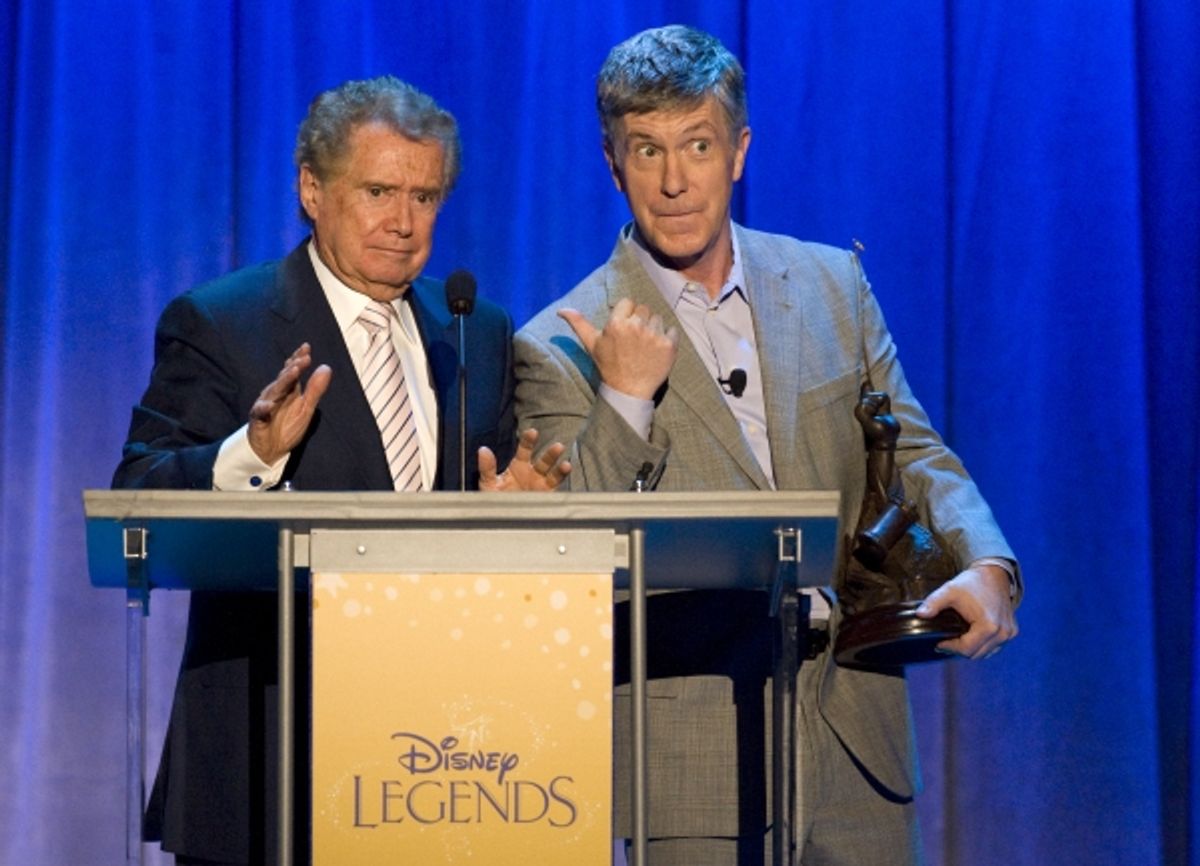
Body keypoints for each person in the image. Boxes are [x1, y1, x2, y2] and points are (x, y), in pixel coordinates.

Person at [513, 25, 1020, 866]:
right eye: (647, 151)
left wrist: (989, 564)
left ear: (738, 151)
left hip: (855, 735)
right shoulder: (557, 343)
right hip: (689, 756)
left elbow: (917, 451)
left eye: (698, 146)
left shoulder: (832, 285)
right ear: (613, 164)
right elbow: (578, 558)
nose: (675, 182)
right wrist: (626, 398)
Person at [113, 75, 568, 865]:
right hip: (273, 751)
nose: (403, 223)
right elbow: (137, 499)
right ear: (312, 189)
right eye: (379, 191)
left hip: (443, 765)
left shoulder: (476, 331)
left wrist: (511, 517)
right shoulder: (224, 320)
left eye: (425, 198)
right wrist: (248, 456)